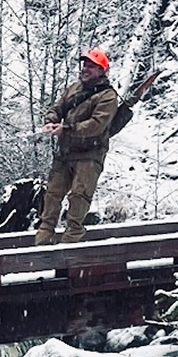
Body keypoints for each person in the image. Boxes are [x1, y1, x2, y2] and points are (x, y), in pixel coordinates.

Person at [35, 48, 119, 245]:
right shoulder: (73, 89)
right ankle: (41, 242)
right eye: (85, 65)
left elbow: (96, 125)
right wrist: (50, 120)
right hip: (65, 153)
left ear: (102, 71)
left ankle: (70, 247)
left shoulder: (108, 97)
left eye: (92, 66)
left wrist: (66, 129)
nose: (86, 69)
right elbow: (57, 108)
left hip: (89, 155)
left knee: (79, 198)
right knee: (52, 196)